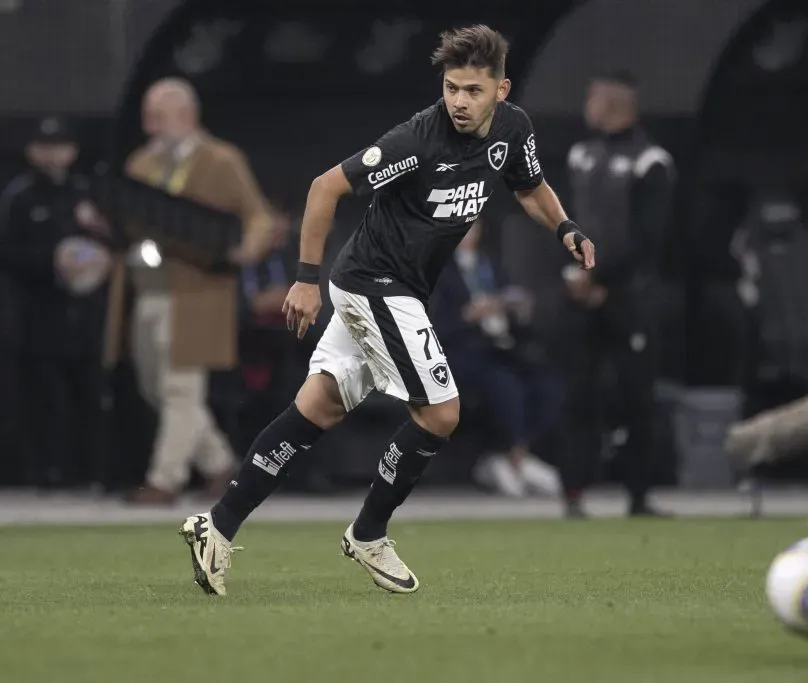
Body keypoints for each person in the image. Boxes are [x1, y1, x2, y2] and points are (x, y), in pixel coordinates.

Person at [178, 25, 596, 597]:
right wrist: (304, 280)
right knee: (442, 413)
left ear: (501, 90)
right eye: (452, 88)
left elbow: (529, 187)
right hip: (375, 284)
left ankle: (216, 525)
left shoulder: (513, 131)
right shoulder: (418, 140)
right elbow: (325, 188)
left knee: (317, 407)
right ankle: (368, 532)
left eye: (473, 90)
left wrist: (566, 227)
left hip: (396, 289)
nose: (459, 101)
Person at [106, 78, 276, 505]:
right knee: (154, 388)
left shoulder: (222, 160)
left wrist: (248, 250)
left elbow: (259, 216)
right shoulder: (141, 163)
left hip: (198, 294)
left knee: (181, 390)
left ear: (186, 115)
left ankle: (164, 481)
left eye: (158, 118)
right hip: (147, 291)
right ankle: (221, 466)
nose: (151, 128)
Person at [559, 72, 675, 518]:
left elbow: (649, 239)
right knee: (577, 394)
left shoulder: (652, 161)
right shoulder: (580, 155)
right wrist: (574, 274)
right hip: (581, 294)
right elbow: (559, 217)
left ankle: (639, 495)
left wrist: (601, 277)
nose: (587, 101)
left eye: (594, 94)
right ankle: (573, 493)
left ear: (617, 101)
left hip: (628, 297)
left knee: (636, 398)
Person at [0, 116, 112, 489]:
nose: (52, 155)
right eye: (45, 147)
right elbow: (10, 253)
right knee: (46, 399)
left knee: (89, 394)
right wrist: (53, 260)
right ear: (32, 151)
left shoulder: (85, 193)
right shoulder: (20, 196)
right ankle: (49, 473)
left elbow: (113, 243)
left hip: (86, 316)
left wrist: (100, 243)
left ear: (72, 151)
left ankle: (89, 473)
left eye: (59, 146)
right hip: (39, 315)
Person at [431, 221, 563, 498]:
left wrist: (519, 309)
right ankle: (504, 457)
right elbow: (433, 326)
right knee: (504, 386)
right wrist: (468, 316)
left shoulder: (490, 266)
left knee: (545, 382)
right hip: (460, 352)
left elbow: (511, 297)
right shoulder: (437, 271)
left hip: (501, 346)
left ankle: (518, 455)